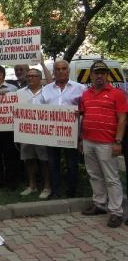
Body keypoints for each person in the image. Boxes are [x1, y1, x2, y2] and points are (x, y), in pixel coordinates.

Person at [78, 61, 128, 228]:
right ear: (91, 75)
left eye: (102, 72)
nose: (99, 75)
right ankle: (99, 204)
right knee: (94, 174)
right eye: (96, 72)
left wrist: (118, 141)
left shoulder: (117, 94)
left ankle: (116, 211)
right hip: (88, 140)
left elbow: (122, 119)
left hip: (107, 143)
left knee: (111, 178)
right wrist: (80, 139)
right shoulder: (85, 94)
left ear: (107, 75)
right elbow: (83, 116)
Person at [38, 60, 86, 198]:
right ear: (53, 71)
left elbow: (86, 109)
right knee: (53, 164)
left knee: (72, 164)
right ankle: (56, 191)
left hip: (72, 133)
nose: (60, 71)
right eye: (57, 69)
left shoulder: (80, 88)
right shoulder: (46, 89)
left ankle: (72, 191)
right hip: (51, 134)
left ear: (68, 70)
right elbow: (39, 110)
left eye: (63, 68)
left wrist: (81, 113)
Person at [17, 68, 51, 199]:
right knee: (28, 159)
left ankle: (47, 187)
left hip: (43, 133)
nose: (30, 78)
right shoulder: (19, 92)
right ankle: (32, 185)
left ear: (39, 78)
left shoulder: (47, 91)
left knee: (44, 160)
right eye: (28, 76)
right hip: (25, 132)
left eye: (33, 76)